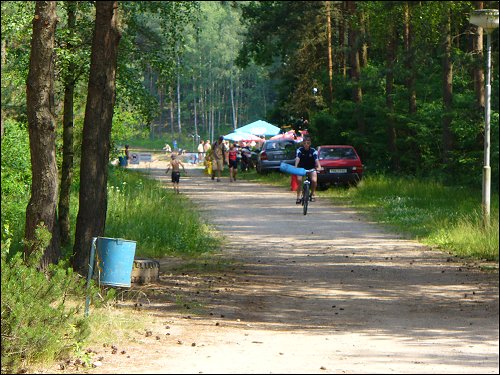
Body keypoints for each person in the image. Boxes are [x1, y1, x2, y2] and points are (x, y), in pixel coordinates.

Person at [295, 135, 321, 204]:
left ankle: (312, 194)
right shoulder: (299, 150)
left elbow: (316, 159)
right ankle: (298, 196)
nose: (306, 144)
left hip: (311, 168)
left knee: (314, 180)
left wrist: (319, 166)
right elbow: (297, 158)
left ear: (310, 143)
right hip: (301, 168)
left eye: (308, 143)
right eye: (305, 143)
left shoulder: (313, 151)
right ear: (303, 143)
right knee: (299, 180)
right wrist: (295, 166)